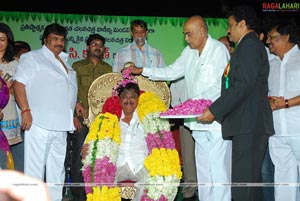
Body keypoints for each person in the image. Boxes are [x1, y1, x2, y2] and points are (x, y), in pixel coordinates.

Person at [128, 15, 232, 201]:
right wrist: (143, 70)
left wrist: (191, 104)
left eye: (188, 34)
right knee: (204, 173)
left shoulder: (218, 50)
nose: (186, 39)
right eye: (185, 35)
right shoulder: (189, 52)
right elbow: (171, 71)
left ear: (202, 31)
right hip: (197, 123)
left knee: (219, 172)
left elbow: (219, 85)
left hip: (215, 120)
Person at [197, 5, 275, 201]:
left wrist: (214, 110)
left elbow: (242, 85)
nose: (228, 30)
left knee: (243, 184)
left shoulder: (249, 46)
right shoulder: (247, 46)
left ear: (242, 24)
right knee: (250, 184)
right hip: (248, 123)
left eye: (231, 25)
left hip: (249, 124)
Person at [13, 23, 77, 201]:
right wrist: (25, 110)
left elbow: (65, 90)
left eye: (62, 40)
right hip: (39, 123)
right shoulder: (33, 57)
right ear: (45, 39)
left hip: (62, 125)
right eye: (55, 39)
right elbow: (18, 83)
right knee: (35, 171)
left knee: (57, 172)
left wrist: (76, 103)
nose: (59, 43)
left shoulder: (64, 60)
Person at [81, 81, 148, 201]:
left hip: (141, 164)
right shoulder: (108, 119)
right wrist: (85, 147)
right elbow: (92, 138)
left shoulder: (148, 119)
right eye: (124, 97)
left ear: (138, 99)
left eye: (132, 97)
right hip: (117, 164)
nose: (128, 101)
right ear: (119, 100)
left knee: (155, 181)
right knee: (102, 177)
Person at [64, 33, 112, 201]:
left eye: (100, 45)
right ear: (88, 48)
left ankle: (97, 191)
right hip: (82, 118)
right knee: (79, 154)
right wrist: (74, 114)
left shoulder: (108, 70)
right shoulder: (76, 66)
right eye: (94, 44)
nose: (97, 47)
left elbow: (110, 95)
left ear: (104, 49)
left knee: (99, 155)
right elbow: (70, 91)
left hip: (101, 121)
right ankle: (79, 193)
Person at [266, 18, 300, 201]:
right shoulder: (271, 64)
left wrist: (286, 103)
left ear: (286, 37)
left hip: (298, 129)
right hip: (277, 132)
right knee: (283, 181)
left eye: (273, 38)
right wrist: (270, 101)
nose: (269, 41)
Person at [0, 22, 22, 171]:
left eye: (2, 39)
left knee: (8, 156)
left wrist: (10, 89)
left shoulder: (16, 64)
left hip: (9, 111)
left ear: (8, 41)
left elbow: (23, 88)